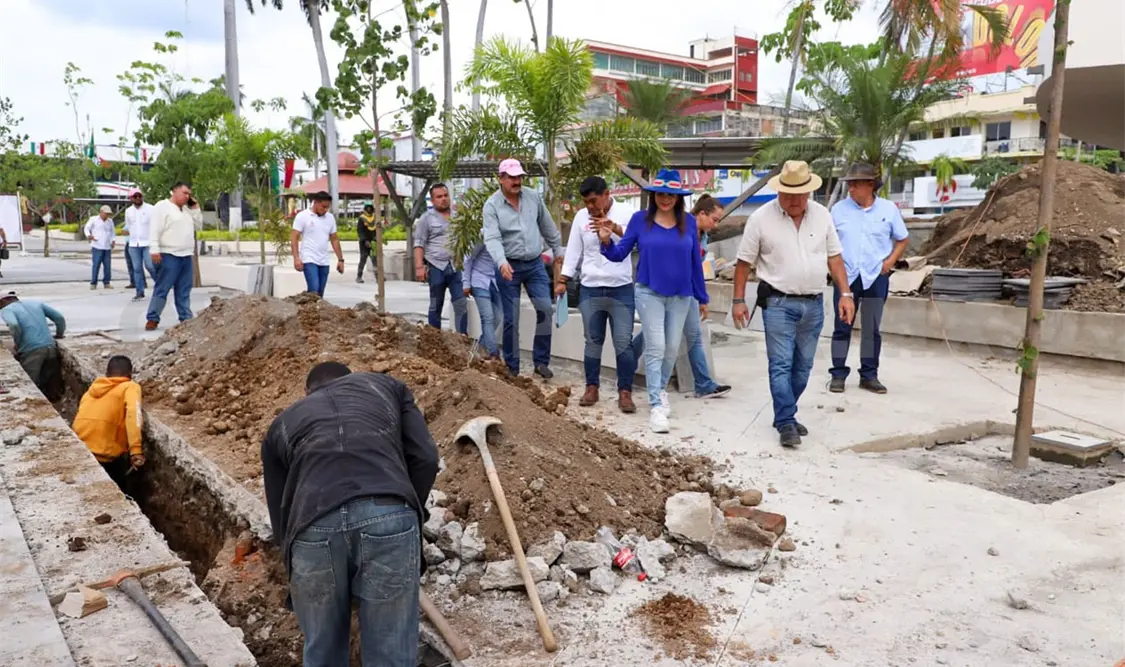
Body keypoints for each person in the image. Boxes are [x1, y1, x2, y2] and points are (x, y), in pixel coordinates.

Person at [260, 361, 439, 667]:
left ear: (307, 393)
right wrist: (405, 512)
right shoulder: (386, 387)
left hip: (311, 526)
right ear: (351, 377)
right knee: (391, 654)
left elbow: (282, 514)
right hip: (389, 513)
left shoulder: (283, 424)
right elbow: (425, 458)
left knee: (323, 652)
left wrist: (297, 563)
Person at [731, 161, 855, 448]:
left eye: (801, 195)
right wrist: (738, 300)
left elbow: (834, 258)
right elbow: (743, 263)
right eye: (789, 195)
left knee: (803, 368)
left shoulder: (822, 215)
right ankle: (786, 421)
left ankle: (784, 413)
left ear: (809, 192)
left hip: (813, 304)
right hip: (778, 303)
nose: (796, 201)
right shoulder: (760, 219)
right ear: (779, 192)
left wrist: (846, 294)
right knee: (781, 365)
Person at [599, 168, 709, 433]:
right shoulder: (640, 220)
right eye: (661, 193)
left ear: (678, 197)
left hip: (681, 295)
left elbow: (695, 261)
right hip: (649, 292)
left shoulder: (689, 222)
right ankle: (656, 406)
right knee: (656, 346)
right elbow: (619, 254)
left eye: (671, 194)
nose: (665, 199)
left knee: (671, 347)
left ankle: (660, 391)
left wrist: (702, 296)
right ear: (654, 195)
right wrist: (605, 241)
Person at [631, 193, 732, 400]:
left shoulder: (700, 234)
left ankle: (630, 364)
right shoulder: (682, 227)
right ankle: (700, 384)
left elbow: (696, 267)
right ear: (701, 214)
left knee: (659, 338)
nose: (716, 224)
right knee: (670, 339)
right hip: (661, 290)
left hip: (684, 292)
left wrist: (701, 296)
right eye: (714, 219)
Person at [557, 176, 638, 413]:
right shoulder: (581, 218)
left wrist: (614, 228)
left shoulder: (627, 213)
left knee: (624, 342)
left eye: (593, 201)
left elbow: (637, 242)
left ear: (606, 193)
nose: (590, 207)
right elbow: (573, 251)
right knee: (592, 341)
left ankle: (625, 392)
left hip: (621, 288)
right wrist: (563, 279)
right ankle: (591, 387)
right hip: (591, 288)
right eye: (586, 202)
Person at [829, 162, 909, 394]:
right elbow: (829, 244)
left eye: (855, 184)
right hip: (847, 278)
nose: (851, 188)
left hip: (875, 277)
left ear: (870, 185)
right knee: (842, 326)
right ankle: (838, 374)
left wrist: (890, 261)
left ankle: (869, 375)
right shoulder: (838, 211)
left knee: (871, 329)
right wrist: (834, 272)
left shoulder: (888, 210)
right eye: (849, 184)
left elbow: (902, 238)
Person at [483, 159, 563, 379]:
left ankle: (541, 362)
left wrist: (558, 250)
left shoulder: (533, 197)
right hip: (509, 265)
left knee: (545, 309)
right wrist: (501, 262)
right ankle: (512, 367)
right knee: (511, 319)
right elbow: (492, 238)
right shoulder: (492, 206)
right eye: (512, 177)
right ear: (501, 179)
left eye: (519, 177)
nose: (517, 181)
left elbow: (547, 226)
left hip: (535, 263)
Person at [72, 355, 144, 495]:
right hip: (105, 455)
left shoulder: (93, 389)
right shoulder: (130, 386)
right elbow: (133, 414)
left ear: (107, 374)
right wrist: (136, 450)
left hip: (81, 449)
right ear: (130, 374)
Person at [146, 182, 202, 331]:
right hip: (169, 254)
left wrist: (195, 209)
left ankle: (185, 317)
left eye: (188, 194)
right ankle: (152, 317)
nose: (187, 196)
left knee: (184, 289)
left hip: (186, 254)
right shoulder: (162, 206)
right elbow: (155, 229)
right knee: (162, 287)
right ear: (174, 192)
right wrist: (155, 249)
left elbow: (198, 226)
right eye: (184, 193)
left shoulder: (186, 210)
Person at [414, 183, 467, 334]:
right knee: (436, 305)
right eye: (439, 197)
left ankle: (462, 338)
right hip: (436, 266)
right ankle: (435, 340)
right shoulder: (426, 219)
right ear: (432, 200)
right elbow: (419, 244)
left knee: (461, 303)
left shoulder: (458, 216)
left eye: (445, 195)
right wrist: (419, 267)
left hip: (456, 266)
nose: (443, 199)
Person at [0, 292, 66, 400]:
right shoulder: (36, 303)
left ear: (3, 301)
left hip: (31, 350)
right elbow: (59, 318)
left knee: (30, 384)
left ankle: (39, 406)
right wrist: (59, 334)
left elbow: (14, 325)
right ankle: (55, 403)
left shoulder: (6, 310)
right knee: (52, 384)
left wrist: (17, 343)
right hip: (51, 347)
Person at [292, 191, 345, 297]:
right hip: (309, 258)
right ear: (315, 202)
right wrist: (296, 258)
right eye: (323, 207)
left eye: (327, 207)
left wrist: (340, 260)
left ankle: (308, 310)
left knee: (320, 293)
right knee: (314, 290)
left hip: (324, 260)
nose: (325, 210)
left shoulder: (330, 218)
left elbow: (334, 239)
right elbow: (294, 238)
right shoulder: (302, 216)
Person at [462, 242, 503, 359]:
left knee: (498, 317)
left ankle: (481, 346)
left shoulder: (507, 235)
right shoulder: (483, 235)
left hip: (496, 282)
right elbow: (468, 258)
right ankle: (493, 353)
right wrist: (466, 283)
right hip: (479, 280)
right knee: (488, 318)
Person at [124, 189, 157, 301]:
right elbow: (128, 226)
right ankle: (139, 291)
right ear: (131, 198)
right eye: (135, 196)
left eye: (139, 196)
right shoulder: (128, 211)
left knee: (150, 266)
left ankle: (160, 285)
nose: (138, 198)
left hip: (147, 243)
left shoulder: (151, 209)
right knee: (137, 268)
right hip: (133, 244)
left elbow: (156, 225)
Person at [84, 205, 116, 290]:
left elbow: (113, 232)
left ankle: (107, 282)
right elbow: (86, 228)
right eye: (106, 213)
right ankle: (93, 283)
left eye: (109, 214)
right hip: (97, 246)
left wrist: (113, 240)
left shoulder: (110, 221)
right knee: (96, 265)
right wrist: (89, 235)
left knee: (107, 266)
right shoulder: (93, 219)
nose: (107, 215)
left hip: (107, 247)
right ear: (101, 212)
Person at [356, 203, 378, 283]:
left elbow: (377, 229)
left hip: (374, 242)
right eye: (367, 208)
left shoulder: (375, 218)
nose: (369, 210)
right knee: (363, 259)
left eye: (370, 208)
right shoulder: (362, 218)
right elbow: (360, 231)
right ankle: (359, 276)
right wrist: (365, 240)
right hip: (364, 243)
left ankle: (378, 277)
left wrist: (376, 238)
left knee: (375, 259)